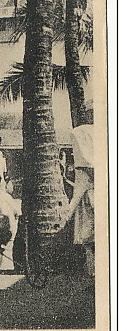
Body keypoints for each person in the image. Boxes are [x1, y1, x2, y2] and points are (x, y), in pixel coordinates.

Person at [64, 108, 95, 276]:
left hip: (89, 198)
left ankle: (92, 271)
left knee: (88, 238)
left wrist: (67, 213)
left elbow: (81, 186)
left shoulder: (80, 134)